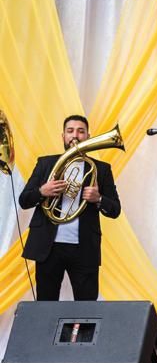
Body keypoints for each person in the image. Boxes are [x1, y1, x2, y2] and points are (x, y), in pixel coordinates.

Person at [19, 115, 121, 301]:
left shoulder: (101, 169)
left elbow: (115, 210)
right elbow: (24, 200)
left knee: (86, 307)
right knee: (46, 305)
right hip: (48, 247)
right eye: (70, 131)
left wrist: (98, 199)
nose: (75, 135)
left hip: (84, 249)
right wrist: (42, 191)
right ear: (63, 136)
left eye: (81, 131)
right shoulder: (45, 163)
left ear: (88, 136)